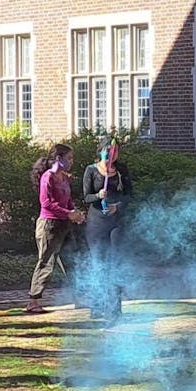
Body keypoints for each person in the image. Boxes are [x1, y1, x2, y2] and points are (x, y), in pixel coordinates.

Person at [26, 144, 85, 313]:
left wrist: (75, 212)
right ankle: (33, 301)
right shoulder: (48, 177)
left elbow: (68, 201)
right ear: (58, 159)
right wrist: (68, 214)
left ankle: (78, 298)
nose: (72, 162)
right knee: (46, 262)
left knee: (71, 261)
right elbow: (46, 203)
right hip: (49, 225)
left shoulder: (64, 178)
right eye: (69, 158)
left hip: (64, 224)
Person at [81, 136, 132, 322]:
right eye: (110, 150)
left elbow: (129, 196)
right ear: (102, 150)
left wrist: (117, 206)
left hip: (116, 222)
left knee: (115, 263)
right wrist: (97, 195)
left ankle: (115, 307)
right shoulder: (91, 170)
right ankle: (97, 304)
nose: (113, 154)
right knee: (98, 263)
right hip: (96, 223)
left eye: (116, 150)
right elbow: (85, 197)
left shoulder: (122, 170)